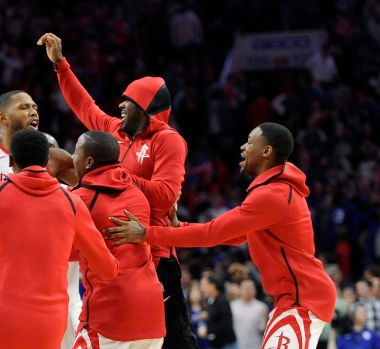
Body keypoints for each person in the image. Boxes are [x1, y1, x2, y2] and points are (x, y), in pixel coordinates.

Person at [106, 122, 337, 349]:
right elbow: (235, 236)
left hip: (302, 299)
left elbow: (211, 234)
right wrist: (178, 227)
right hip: (298, 297)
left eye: (249, 142)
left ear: (267, 151)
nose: (242, 147)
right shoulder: (276, 190)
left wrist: (146, 233)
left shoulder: (272, 194)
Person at [37, 32, 195, 349]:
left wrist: (115, 173)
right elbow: (85, 105)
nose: (120, 105)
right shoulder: (114, 131)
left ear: (147, 108)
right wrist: (61, 65)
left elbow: (165, 196)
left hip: (154, 252)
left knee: (176, 340)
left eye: (129, 101)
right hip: (115, 250)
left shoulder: (168, 140)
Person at [0, 129, 118, 349]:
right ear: (48, 160)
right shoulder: (73, 202)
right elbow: (108, 269)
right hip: (49, 330)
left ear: (11, 160)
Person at [70, 130, 165, 349]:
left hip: (112, 311)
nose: (72, 157)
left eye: (76, 151)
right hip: (151, 310)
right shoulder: (136, 191)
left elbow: (62, 250)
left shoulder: (81, 199)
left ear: (89, 161)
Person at [42, 132, 83, 349]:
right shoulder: (7, 192)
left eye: (50, 150)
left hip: (69, 302)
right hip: (31, 304)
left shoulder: (76, 195)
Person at [198, 276, 237, 349]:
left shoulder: (222, 301)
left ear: (213, 286)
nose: (202, 289)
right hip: (216, 344)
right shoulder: (210, 301)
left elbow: (226, 324)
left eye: (203, 285)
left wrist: (207, 331)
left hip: (226, 344)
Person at [230, 280, 268, 349]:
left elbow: (263, 328)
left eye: (250, 288)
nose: (247, 291)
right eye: (245, 288)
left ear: (255, 290)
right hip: (236, 345)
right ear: (240, 290)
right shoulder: (232, 306)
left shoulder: (261, 307)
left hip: (256, 345)